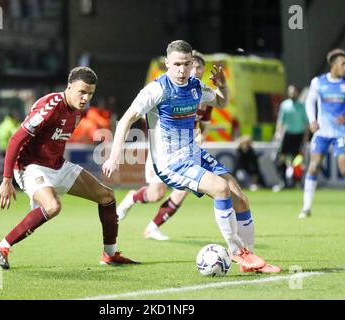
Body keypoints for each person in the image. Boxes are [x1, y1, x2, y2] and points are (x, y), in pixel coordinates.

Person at [103, 40, 280, 273]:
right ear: (167, 63)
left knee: (241, 199)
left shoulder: (195, 86)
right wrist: (114, 156)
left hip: (194, 154)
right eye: (177, 64)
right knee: (220, 189)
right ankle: (238, 252)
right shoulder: (157, 90)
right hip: (171, 162)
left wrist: (223, 86)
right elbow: (127, 119)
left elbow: (221, 102)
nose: (182, 70)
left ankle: (250, 260)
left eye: (186, 64)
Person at [0, 67, 139, 269]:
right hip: (30, 166)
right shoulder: (50, 106)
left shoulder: (78, 109)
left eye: (90, 94)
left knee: (107, 197)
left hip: (57, 164)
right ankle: (1, 246)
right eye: (82, 92)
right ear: (69, 87)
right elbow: (16, 138)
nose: (86, 98)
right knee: (52, 207)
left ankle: (110, 254)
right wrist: (6, 180)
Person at [116, 50, 210, 241]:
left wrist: (199, 139)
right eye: (182, 64)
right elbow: (140, 113)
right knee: (155, 194)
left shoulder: (202, 93)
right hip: (163, 152)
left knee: (184, 190)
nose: (193, 70)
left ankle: (152, 227)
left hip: (187, 152)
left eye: (197, 66)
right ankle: (132, 198)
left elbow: (204, 124)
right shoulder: (164, 88)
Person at [298, 48, 345, 219]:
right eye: (342, 64)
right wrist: (312, 120)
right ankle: (306, 208)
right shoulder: (318, 82)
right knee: (313, 166)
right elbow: (309, 102)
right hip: (322, 132)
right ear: (333, 65)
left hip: (341, 132)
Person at [272, 85, 309, 191]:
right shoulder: (285, 105)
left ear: (297, 93)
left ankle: (297, 182)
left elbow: (306, 123)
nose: (292, 94)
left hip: (298, 136)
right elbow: (281, 120)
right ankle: (283, 182)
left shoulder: (301, 106)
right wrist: (278, 133)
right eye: (291, 92)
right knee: (280, 159)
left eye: (294, 92)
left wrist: (305, 138)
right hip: (288, 135)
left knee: (297, 160)